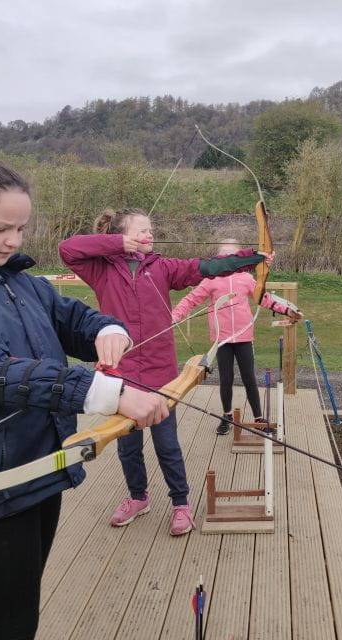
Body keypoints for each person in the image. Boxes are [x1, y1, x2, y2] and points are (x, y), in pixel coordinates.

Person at [0, 156, 169, 640]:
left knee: (24, 607)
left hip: (38, 464)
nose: (14, 241)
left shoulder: (15, 280)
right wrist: (103, 391)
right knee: (10, 620)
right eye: (1, 228)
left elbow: (70, 318)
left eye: (20, 228)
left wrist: (106, 328)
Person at [58, 209, 270, 532]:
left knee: (166, 444)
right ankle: (137, 497)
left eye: (150, 230)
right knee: (128, 446)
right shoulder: (101, 271)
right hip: (123, 376)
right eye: (141, 231)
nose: (149, 235)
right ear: (123, 235)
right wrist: (116, 244)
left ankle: (181, 503)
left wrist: (253, 257)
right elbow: (68, 249)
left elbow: (209, 267)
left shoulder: (163, 268)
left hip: (161, 374)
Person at [171, 239, 267, 435]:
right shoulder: (211, 279)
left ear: (239, 258)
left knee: (249, 377)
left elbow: (263, 297)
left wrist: (284, 309)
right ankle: (227, 416)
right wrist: (174, 316)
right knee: (226, 378)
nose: (227, 258)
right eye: (223, 254)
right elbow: (191, 299)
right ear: (218, 257)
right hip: (221, 340)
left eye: (232, 255)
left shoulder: (246, 279)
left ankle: (258, 418)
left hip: (243, 337)